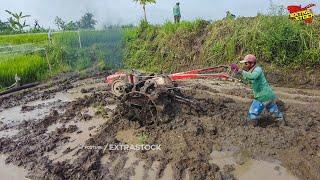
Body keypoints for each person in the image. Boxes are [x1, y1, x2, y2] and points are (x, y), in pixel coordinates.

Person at [231, 54, 285, 127]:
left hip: (261, 96)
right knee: (274, 112)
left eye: (246, 63)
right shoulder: (251, 71)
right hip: (268, 96)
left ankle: (251, 126)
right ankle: (281, 123)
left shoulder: (258, 69)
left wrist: (242, 71)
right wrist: (238, 72)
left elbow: (253, 76)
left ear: (252, 63)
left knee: (252, 112)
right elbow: (248, 79)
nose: (245, 65)